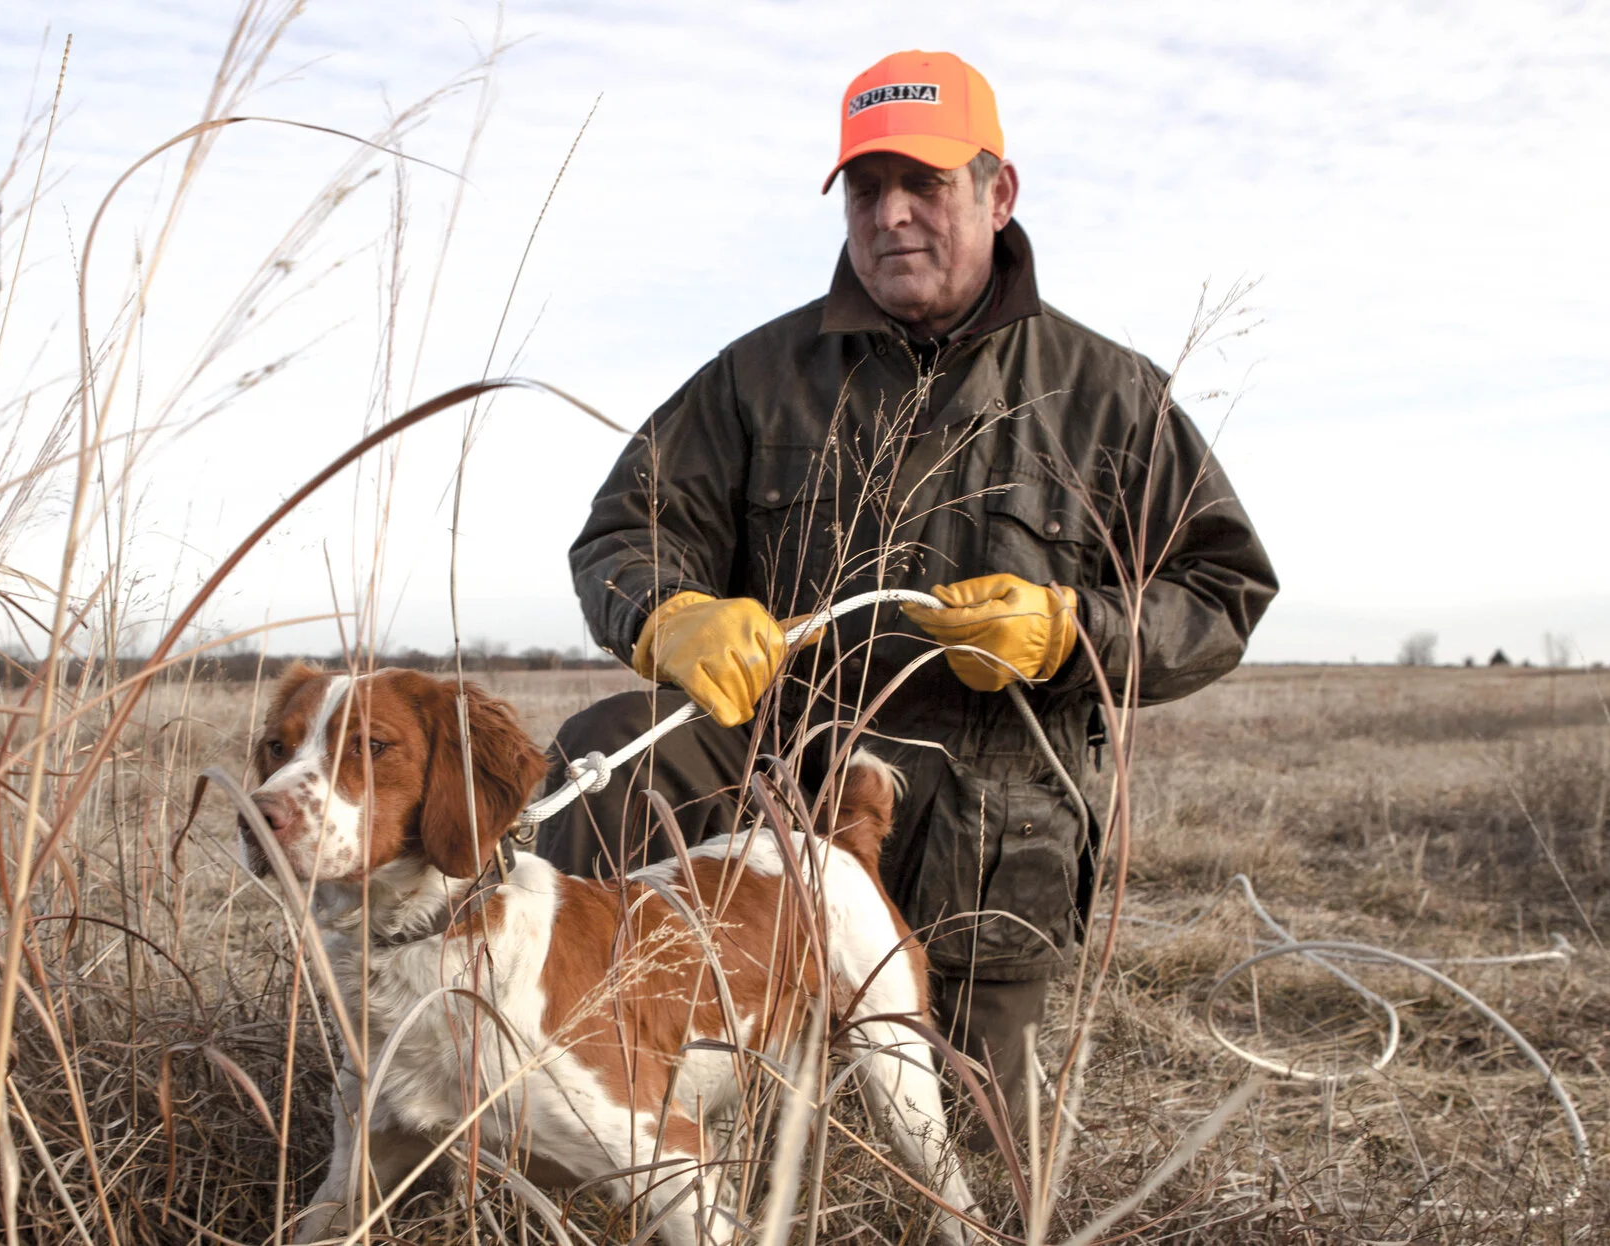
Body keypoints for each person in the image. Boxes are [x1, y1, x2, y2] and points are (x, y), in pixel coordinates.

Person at [535, 50, 1278, 1123]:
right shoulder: (756, 377)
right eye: (864, 188)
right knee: (609, 742)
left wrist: (1072, 631)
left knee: (974, 1142)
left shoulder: (1110, 396)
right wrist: (670, 612)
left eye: (922, 183)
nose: (889, 215)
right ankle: (633, 1076)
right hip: (772, 784)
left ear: (997, 192)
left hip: (982, 833)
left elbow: (1224, 588)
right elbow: (625, 529)